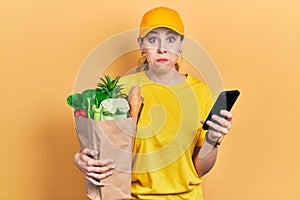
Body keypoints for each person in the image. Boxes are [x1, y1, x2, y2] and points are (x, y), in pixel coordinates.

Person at [74, 6, 233, 199]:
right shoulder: (122, 88)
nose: (162, 48)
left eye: (171, 39)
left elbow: (199, 170)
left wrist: (212, 141)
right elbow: (105, 146)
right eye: (152, 39)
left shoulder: (201, 93)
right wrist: (82, 158)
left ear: (181, 45)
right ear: (141, 45)